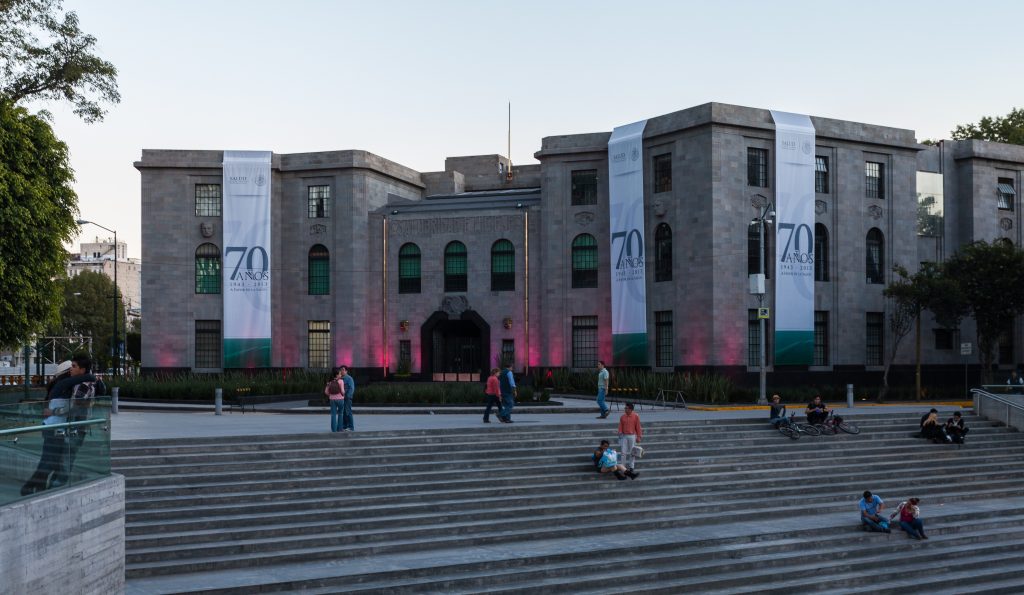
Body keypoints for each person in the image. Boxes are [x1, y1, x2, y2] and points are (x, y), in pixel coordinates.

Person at [617, 403, 641, 478]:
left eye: (626, 408)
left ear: (631, 409)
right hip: (624, 436)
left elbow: (638, 427)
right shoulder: (622, 417)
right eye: (625, 408)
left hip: (632, 436)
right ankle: (623, 467)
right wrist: (620, 433)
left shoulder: (635, 416)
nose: (625, 409)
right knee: (623, 452)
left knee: (632, 452)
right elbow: (620, 426)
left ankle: (631, 467)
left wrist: (639, 436)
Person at [324, 367, 346, 432]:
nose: (341, 375)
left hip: (332, 400)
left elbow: (326, 392)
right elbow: (342, 391)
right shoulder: (341, 381)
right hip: (340, 399)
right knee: (340, 414)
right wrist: (344, 394)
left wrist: (331, 395)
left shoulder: (330, 382)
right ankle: (340, 429)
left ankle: (334, 430)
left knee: (333, 415)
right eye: (340, 374)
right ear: (336, 375)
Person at [339, 365, 355, 431]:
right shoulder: (340, 378)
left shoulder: (349, 378)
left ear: (346, 371)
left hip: (347, 398)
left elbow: (351, 388)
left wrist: (348, 396)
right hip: (341, 398)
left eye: (343, 370)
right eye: (341, 370)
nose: (342, 371)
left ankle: (351, 427)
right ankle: (344, 426)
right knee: (344, 412)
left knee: (348, 412)